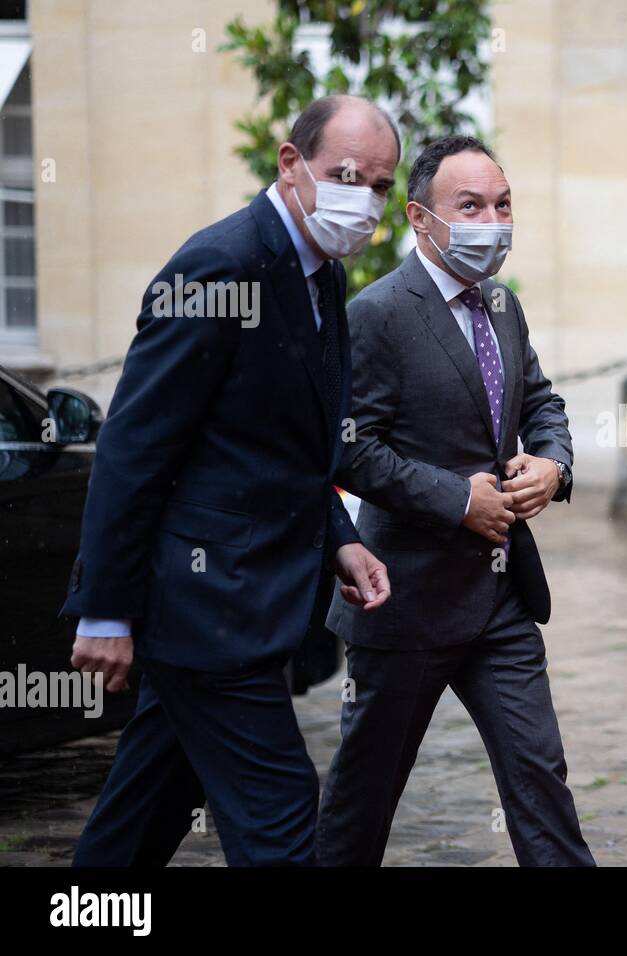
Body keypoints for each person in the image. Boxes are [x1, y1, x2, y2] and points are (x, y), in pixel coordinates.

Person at [64, 95, 397, 866]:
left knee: (140, 818)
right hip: (206, 609)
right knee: (280, 816)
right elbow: (132, 448)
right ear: (290, 164)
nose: (364, 200)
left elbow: (278, 450)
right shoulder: (219, 264)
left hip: (255, 598)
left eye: (379, 186)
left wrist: (339, 541)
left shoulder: (320, 273)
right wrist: (105, 610)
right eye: (347, 176)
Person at [316, 135, 594, 867]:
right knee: (363, 799)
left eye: (503, 205)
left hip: (502, 596)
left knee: (541, 777)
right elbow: (348, 446)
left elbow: (541, 402)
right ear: (419, 217)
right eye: (470, 206)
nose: (492, 221)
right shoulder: (378, 313)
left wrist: (553, 466)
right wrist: (453, 499)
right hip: (402, 599)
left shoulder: (503, 303)